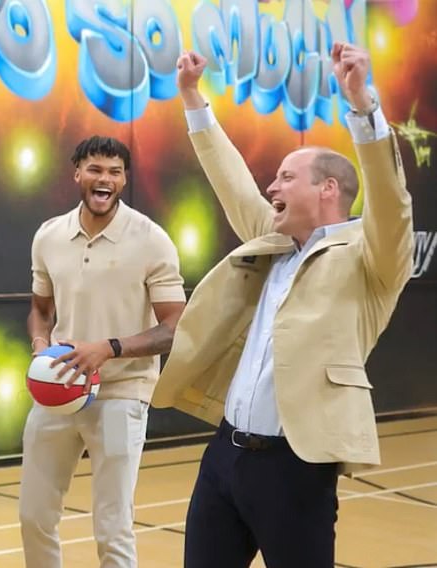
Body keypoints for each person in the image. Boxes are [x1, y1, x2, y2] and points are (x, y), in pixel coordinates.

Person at [151, 43, 414, 567]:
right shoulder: (271, 241)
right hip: (225, 456)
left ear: (328, 189)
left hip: (296, 468)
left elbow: (391, 200)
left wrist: (363, 105)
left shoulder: (373, 258)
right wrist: (191, 97)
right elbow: (230, 179)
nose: (271, 186)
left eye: (286, 177)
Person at [21, 135, 186, 567]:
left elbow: (176, 327)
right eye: (95, 169)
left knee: (112, 527)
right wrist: (41, 348)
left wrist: (109, 349)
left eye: (115, 172)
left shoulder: (152, 239)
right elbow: (40, 310)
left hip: (123, 392)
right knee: (34, 516)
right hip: (59, 389)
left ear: (124, 180)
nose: (104, 179)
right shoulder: (49, 235)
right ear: (77, 173)